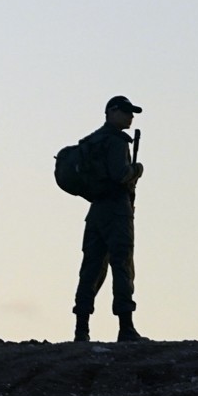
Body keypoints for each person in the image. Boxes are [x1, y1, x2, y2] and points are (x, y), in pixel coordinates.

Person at [72, 95, 147, 342]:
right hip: (116, 209)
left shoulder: (92, 140)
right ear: (111, 112)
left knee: (91, 269)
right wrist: (137, 170)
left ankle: (81, 329)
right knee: (122, 266)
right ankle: (126, 327)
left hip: (95, 211)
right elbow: (119, 174)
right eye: (125, 112)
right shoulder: (115, 141)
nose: (130, 116)